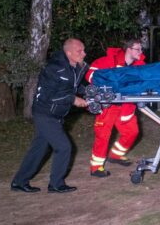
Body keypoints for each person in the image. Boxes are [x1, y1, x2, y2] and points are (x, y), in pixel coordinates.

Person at [11, 38, 89, 194]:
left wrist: (87, 92)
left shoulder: (75, 67)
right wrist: (73, 99)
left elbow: (72, 86)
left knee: (39, 149)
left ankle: (19, 182)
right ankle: (56, 184)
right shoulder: (54, 69)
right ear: (68, 53)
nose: (84, 54)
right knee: (64, 147)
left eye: (83, 50)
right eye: (79, 51)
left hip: (56, 114)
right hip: (45, 113)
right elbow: (49, 96)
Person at [85, 39, 146, 177]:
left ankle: (115, 155)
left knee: (132, 132)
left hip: (126, 106)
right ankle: (96, 167)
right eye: (138, 49)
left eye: (141, 49)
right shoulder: (108, 61)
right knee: (103, 136)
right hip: (108, 106)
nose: (141, 52)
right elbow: (90, 74)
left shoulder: (140, 66)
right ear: (129, 49)